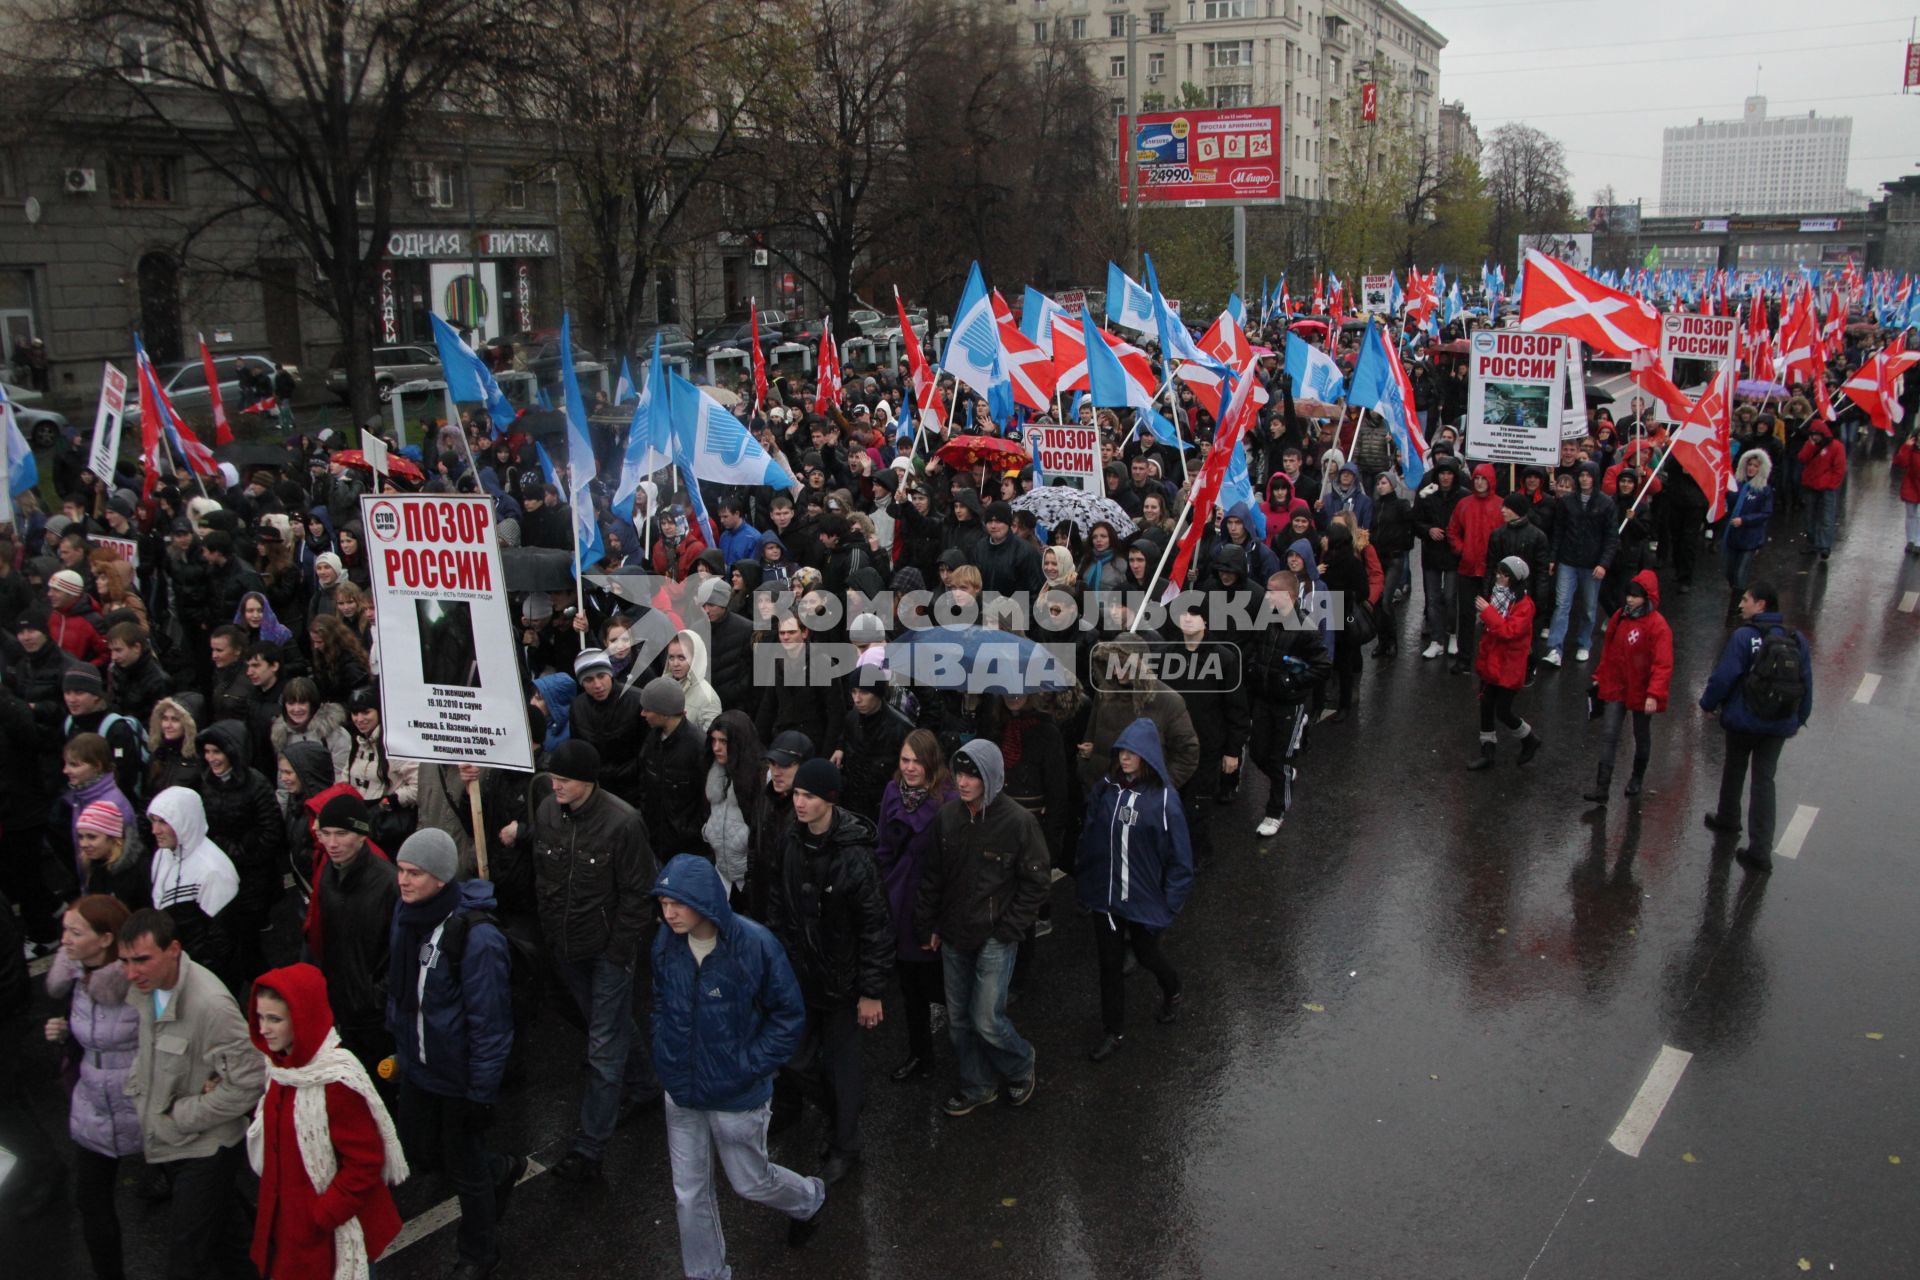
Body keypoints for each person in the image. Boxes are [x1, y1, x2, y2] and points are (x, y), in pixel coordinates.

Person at [650, 853, 827, 1274]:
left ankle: (808, 1199)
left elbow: (788, 1015)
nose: (669, 913)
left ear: (706, 901)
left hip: (736, 1095)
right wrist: (665, 1051)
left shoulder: (755, 945)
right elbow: (660, 1001)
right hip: (682, 1091)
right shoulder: (665, 944)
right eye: (663, 903)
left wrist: (749, 1064)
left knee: (751, 1182)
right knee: (689, 1194)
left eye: (678, 903)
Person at [519, 738, 659, 1183]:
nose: (555, 786)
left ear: (588, 782)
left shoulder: (623, 823)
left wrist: (619, 951)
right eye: (554, 778)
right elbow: (542, 874)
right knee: (609, 1021)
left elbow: (640, 894)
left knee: (602, 1046)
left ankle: (589, 1148)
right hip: (566, 948)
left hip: (606, 952)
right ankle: (645, 1086)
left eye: (564, 780)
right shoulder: (546, 812)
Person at [386, 829, 523, 1280]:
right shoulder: (406, 915)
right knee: (424, 1151)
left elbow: (491, 1023)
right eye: (401, 871)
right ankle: (499, 1169)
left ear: (442, 879)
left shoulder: (477, 938)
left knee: (464, 1170)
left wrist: (480, 1093)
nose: (403, 881)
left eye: (414, 873)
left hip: (458, 1076)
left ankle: (480, 1253)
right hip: (420, 1068)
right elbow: (402, 993)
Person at [119, 906, 266, 1280]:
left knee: (186, 1258)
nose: (131, 972)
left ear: (174, 950)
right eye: (125, 961)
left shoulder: (210, 1006)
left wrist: (179, 1116)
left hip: (207, 1147)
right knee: (228, 1244)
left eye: (141, 960)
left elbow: (249, 1082)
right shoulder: (147, 988)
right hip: (173, 1141)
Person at [766, 757, 892, 1183]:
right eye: (797, 794)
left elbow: (875, 926)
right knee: (793, 1058)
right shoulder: (791, 840)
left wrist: (871, 991)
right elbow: (779, 905)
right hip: (801, 976)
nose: (798, 802)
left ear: (829, 801)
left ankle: (845, 1143)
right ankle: (843, 1112)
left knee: (843, 1067)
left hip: (842, 982)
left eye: (808, 796)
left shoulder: (855, 857)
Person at [245, 963, 406, 1280]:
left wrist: (322, 1215)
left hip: (334, 1233)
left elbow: (364, 1162)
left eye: (274, 1019)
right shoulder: (281, 1070)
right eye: (260, 1017)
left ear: (301, 1019)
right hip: (296, 1232)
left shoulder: (336, 1081)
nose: (263, 1028)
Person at [914, 740, 1048, 1116]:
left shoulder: (1019, 822)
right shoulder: (947, 817)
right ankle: (977, 1085)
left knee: (986, 1019)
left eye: (972, 773)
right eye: (959, 772)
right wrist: (930, 925)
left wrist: (1008, 929)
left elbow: (1036, 882)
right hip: (955, 933)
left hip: (994, 937)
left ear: (991, 777)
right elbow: (934, 876)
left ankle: (1021, 1064)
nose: (963, 781)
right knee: (958, 1022)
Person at [1076, 719, 1192, 1063]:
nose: (1125, 758)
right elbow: (1090, 834)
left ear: (1147, 755)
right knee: (1109, 966)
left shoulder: (1165, 800)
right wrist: (1085, 880)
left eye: (1132, 752)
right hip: (1107, 899)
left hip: (1144, 901)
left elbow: (1181, 860)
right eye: (1121, 751)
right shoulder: (1107, 788)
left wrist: (1168, 907)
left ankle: (1172, 989)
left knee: (1146, 955)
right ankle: (1113, 1031)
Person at [44, 894, 141, 1280]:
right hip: (95, 1104)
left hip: (141, 1101)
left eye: (75, 932)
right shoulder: (76, 978)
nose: (64, 940)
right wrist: (66, 1032)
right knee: (91, 1200)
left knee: (197, 1196)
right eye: (64, 930)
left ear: (105, 939)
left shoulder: (142, 981)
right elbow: (94, 1034)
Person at [1699, 582, 1814, 872]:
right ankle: (1760, 850)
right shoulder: (1796, 639)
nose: (1741, 604)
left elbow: (1725, 676)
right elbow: (1806, 681)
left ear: (1761, 605)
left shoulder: (1744, 637)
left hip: (1744, 718)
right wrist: (1799, 718)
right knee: (1765, 781)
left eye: (1746, 599)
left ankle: (1728, 817)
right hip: (1778, 723)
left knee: (1735, 767)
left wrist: (1708, 703)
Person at [874, 730, 954, 1083]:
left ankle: (967, 1051)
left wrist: (938, 921)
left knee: (944, 986)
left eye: (916, 761)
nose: (909, 768)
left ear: (931, 762)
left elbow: (950, 867)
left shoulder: (948, 800)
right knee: (910, 990)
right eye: (904, 760)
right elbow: (883, 847)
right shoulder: (893, 792)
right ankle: (921, 1055)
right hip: (898, 904)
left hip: (930, 906)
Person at [304, 792, 397, 1074]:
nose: (332, 843)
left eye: (341, 834)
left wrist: (374, 996)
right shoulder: (330, 874)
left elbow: (399, 949)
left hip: (373, 1012)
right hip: (342, 1004)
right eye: (326, 833)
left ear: (361, 834)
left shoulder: (388, 883)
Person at [1241, 570, 1332, 838]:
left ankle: (1275, 812)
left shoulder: (1305, 629)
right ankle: (1284, 774)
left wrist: (1292, 683)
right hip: (1263, 699)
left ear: (1290, 597)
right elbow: (1255, 650)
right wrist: (1252, 670)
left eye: (1272, 591)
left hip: (1288, 705)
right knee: (1258, 752)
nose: (1267, 596)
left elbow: (1322, 666)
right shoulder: (1265, 620)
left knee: (1280, 758)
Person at [1584, 570, 1674, 805]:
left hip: (1641, 691)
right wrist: (1600, 676)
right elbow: (1609, 651)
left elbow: (1662, 664)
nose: (1630, 600)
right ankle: (1602, 787)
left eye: (1635, 596)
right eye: (1629, 595)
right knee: (1609, 734)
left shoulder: (1658, 626)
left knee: (1641, 736)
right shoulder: (1620, 617)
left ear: (1647, 598)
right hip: (1617, 686)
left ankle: (1637, 778)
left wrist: (1654, 694)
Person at [147, 786, 241, 982]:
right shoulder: (162, 855)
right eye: (153, 821)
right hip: (176, 963)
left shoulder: (213, 870)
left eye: (163, 822)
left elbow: (221, 941)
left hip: (200, 974)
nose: (154, 830)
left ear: (184, 822)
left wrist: (198, 978)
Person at [1466, 557, 1543, 771]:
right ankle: (1487, 752)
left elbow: (1509, 632)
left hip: (1508, 667)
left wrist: (1487, 613)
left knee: (1503, 711)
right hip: (1492, 662)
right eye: (1499, 572)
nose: (1499, 577)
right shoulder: (1499, 596)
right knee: (1486, 705)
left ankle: (1529, 738)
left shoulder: (1524, 606)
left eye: (1504, 574)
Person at [1544, 461, 1618, 667]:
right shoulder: (1568, 502)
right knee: (1562, 604)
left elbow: (1611, 537)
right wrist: (1553, 558)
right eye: (1582, 475)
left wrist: (1604, 563)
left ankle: (1584, 643)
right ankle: (1555, 648)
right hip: (1568, 560)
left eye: (1589, 475)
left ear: (1595, 478)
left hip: (1592, 564)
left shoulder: (1606, 504)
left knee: (1588, 607)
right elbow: (1558, 531)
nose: (1585, 479)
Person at [636, 676, 709, 863]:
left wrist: (690, 832)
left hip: (686, 848)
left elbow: (707, 800)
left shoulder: (698, 747)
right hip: (655, 841)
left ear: (665, 713)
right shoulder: (651, 740)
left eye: (648, 709)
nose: (642, 714)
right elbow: (644, 784)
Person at [1722, 448, 1774, 616]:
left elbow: (1765, 513)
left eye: (1755, 466)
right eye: (1749, 465)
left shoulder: (1763, 490)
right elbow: (1727, 500)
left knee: (1740, 574)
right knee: (1729, 571)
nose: (1751, 468)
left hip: (1750, 539)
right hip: (1733, 536)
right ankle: (1737, 596)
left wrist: (1745, 520)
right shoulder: (1736, 485)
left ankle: (1734, 611)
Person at [1796, 417, 1846, 561]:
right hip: (1811, 486)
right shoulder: (1810, 445)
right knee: (1809, 516)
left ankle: (1824, 546)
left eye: (1817, 434)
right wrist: (1810, 446)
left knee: (1826, 517)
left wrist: (1831, 484)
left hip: (1827, 488)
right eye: (1812, 434)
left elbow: (1839, 468)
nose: (1815, 437)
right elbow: (1802, 458)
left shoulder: (1836, 447)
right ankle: (1812, 543)